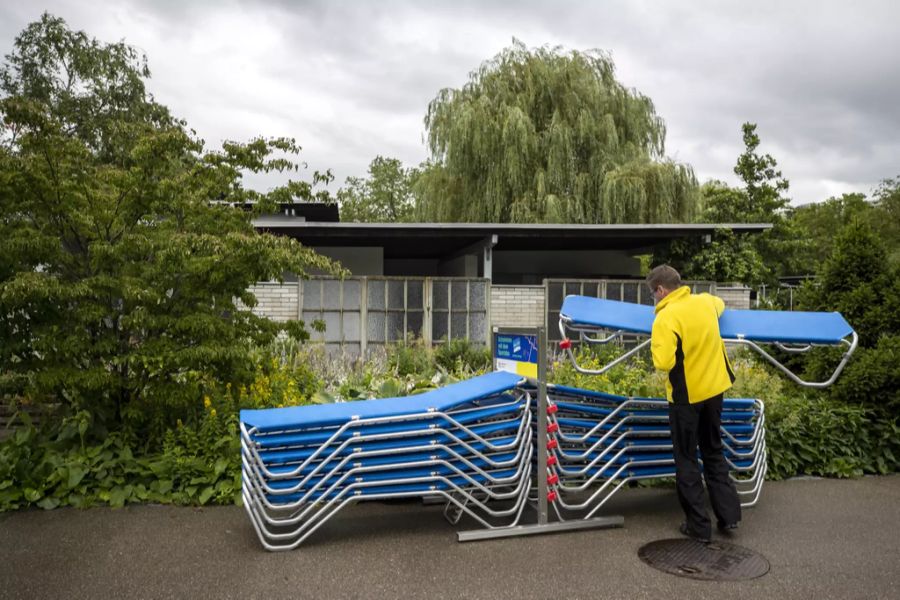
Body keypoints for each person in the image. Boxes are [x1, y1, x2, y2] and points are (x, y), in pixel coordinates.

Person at [646, 264, 741, 543]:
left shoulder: (666, 317)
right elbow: (721, 304)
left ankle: (699, 527)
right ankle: (729, 516)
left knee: (686, 459)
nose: (654, 299)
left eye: (653, 294)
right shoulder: (705, 302)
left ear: (661, 290)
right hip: (715, 391)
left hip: (686, 398)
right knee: (712, 451)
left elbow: (663, 362)